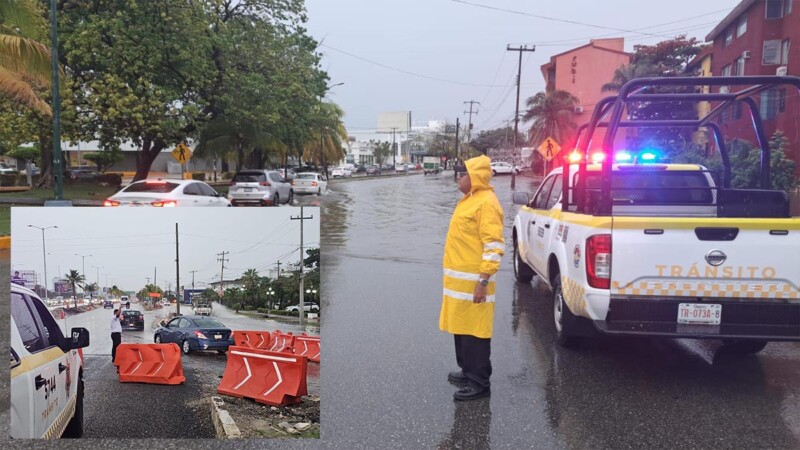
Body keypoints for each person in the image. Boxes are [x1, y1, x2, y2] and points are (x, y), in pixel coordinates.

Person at [440, 154, 505, 401]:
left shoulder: (486, 203)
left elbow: (494, 245)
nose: (458, 177)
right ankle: (467, 371)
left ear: (475, 177)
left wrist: (483, 281)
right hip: (459, 283)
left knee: (475, 333)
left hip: (475, 283)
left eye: (463, 173)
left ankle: (479, 382)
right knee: (462, 328)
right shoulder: (469, 200)